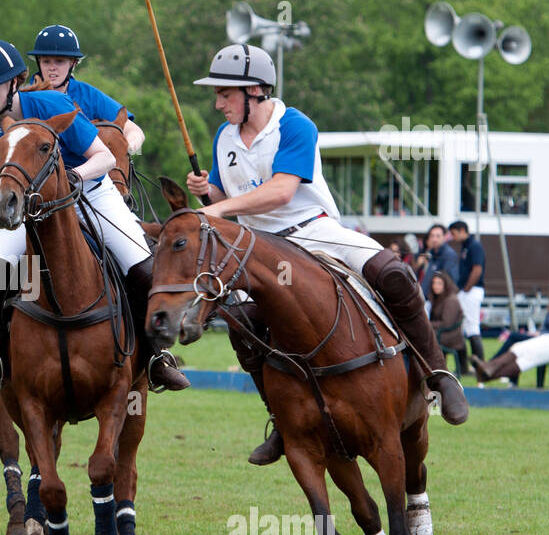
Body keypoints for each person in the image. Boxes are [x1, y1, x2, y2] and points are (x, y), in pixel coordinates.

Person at [185, 43, 467, 465]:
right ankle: (280, 420)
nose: (218, 102)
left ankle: (439, 374)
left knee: (394, 273)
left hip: (312, 231)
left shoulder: (295, 125)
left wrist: (218, 208)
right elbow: (236, 196)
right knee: (240, 322)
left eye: (226, 93)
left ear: (256, 92)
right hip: (258, 248)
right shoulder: (224, 138)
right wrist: (212, 192)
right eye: (218, 94)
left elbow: (281, 191)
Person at [0, 38, 188, 393]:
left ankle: (156, 356)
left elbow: (105, 158)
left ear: (14, 82)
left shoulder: (53, 104)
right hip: (36, 211)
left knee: (143, 268)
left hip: (93, 195)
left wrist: (75, 178)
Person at [27, 24, 146, 156]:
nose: (52, 67)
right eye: (46, 61)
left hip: (88, 171)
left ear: (73, 63)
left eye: (59, 61)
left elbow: (133, 130)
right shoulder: (25, 97)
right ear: (39, 62)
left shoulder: (88, 95)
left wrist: (128, 148)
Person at [448, 220, 486, 366]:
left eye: (454, 233)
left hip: (472, 290)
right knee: (461, 328)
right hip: (467, 291)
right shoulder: (466, 246)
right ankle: (464, 366)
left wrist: (466, 289)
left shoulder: (474, 246)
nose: (453, 237)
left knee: (472, 328)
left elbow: (477, 269)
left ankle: (480, 366)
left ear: (462, 230)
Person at [428, 271, 466, 373]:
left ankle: (432, 368)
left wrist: (427, 324)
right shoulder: (438, 298)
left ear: (446, 284)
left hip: (450, 336)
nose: (435, 286)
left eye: (439, 283)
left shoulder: (450, 300)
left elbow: (446, 323)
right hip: (442, 332)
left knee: (424, 337)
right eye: (434, 283)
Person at [412, 223, 459, 301]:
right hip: (427, 298)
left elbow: (450, 280)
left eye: (438, 236)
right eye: (432, 236)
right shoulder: (431, 253)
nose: (434, 239)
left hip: (439, 300)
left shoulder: (449, 254)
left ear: (444, 237)